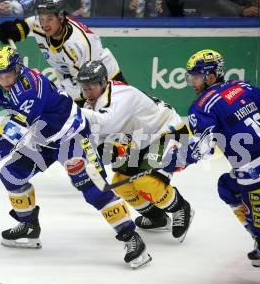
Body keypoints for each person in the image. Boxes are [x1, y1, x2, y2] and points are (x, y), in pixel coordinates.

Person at [0, 45, 152, 269]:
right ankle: (28, 226)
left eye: (8, 75)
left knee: (92, 188)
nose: (4, 81)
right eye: (0, 76)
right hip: (44, 139)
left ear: (18, 69)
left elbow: (15, 132)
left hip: (71, 137)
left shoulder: (30, 87)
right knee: (11, 175)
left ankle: (132, 238)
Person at [183, 49, 260, 284]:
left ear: (210, 76)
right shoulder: (243, 87)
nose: (192, 82)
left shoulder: (201, 106)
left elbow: (201, 149)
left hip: (257, 176)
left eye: (196, 76)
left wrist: (176, 161)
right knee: (227, 187)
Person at [76, 60, 194, 242]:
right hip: (141, 140)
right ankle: (157, 218)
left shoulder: (121, 95)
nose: (87, 93)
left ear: (103, 82)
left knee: (146, 181)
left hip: (169, 131)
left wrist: (72, 112)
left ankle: (181, 208)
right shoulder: (91, 105)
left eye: (91, 87)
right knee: (121, 183)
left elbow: (106, 122)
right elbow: (95, 139)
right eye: (84, 88)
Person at [0, 0, 125, 106]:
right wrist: (13, 29)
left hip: (104, 77)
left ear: (62, 18)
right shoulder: (40, 24)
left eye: (50, 19)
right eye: (42, 18)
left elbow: (85, 85)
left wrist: (48, 93)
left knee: (120, 112)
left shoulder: (77, 44)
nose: (45, 24)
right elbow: (28, 25)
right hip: (74, 77)